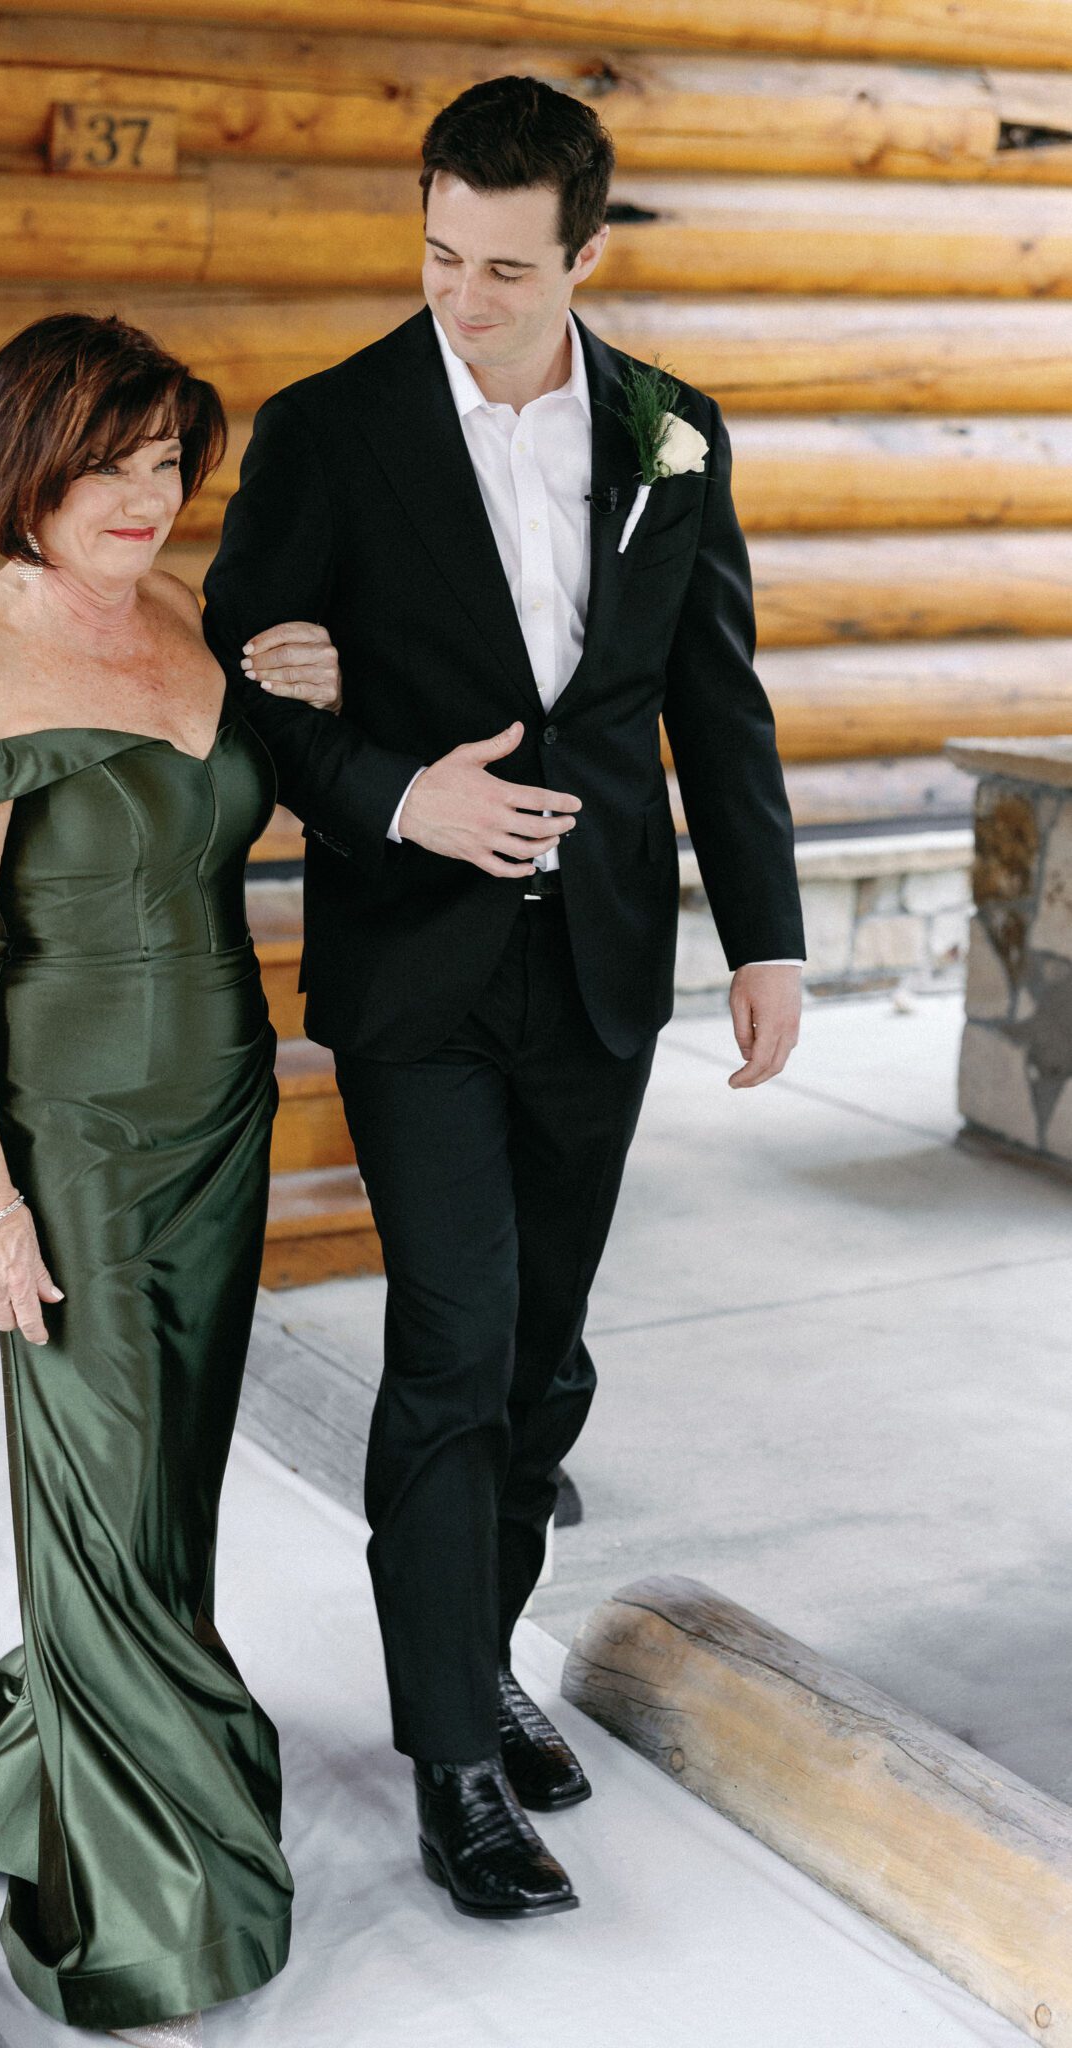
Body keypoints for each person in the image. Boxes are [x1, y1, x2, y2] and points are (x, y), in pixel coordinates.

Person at [203, 76, 807, 1921]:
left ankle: (478, 1658)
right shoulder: (324, 431)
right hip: (414, 975)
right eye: (436, 253)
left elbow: (716, 702)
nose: (460, 298)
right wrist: (393, 788)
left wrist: (764, 936)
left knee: (544, 1355)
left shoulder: (673, 435)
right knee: (456, 1344)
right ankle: (453, 1757)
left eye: (501, 268)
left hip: (604, 963)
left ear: (583, 255)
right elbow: (247, 690)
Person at [0, 313, 339, 2040]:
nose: (146, 496)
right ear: (26, 468)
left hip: (219, 1113)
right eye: (107, 464)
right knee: (101, 1498)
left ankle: (118, 1752)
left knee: (170, 1485)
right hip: (76, 1142)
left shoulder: (185, 617)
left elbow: (241, 790)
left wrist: (310, 690)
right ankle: (151, 1893)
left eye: (169, 460)